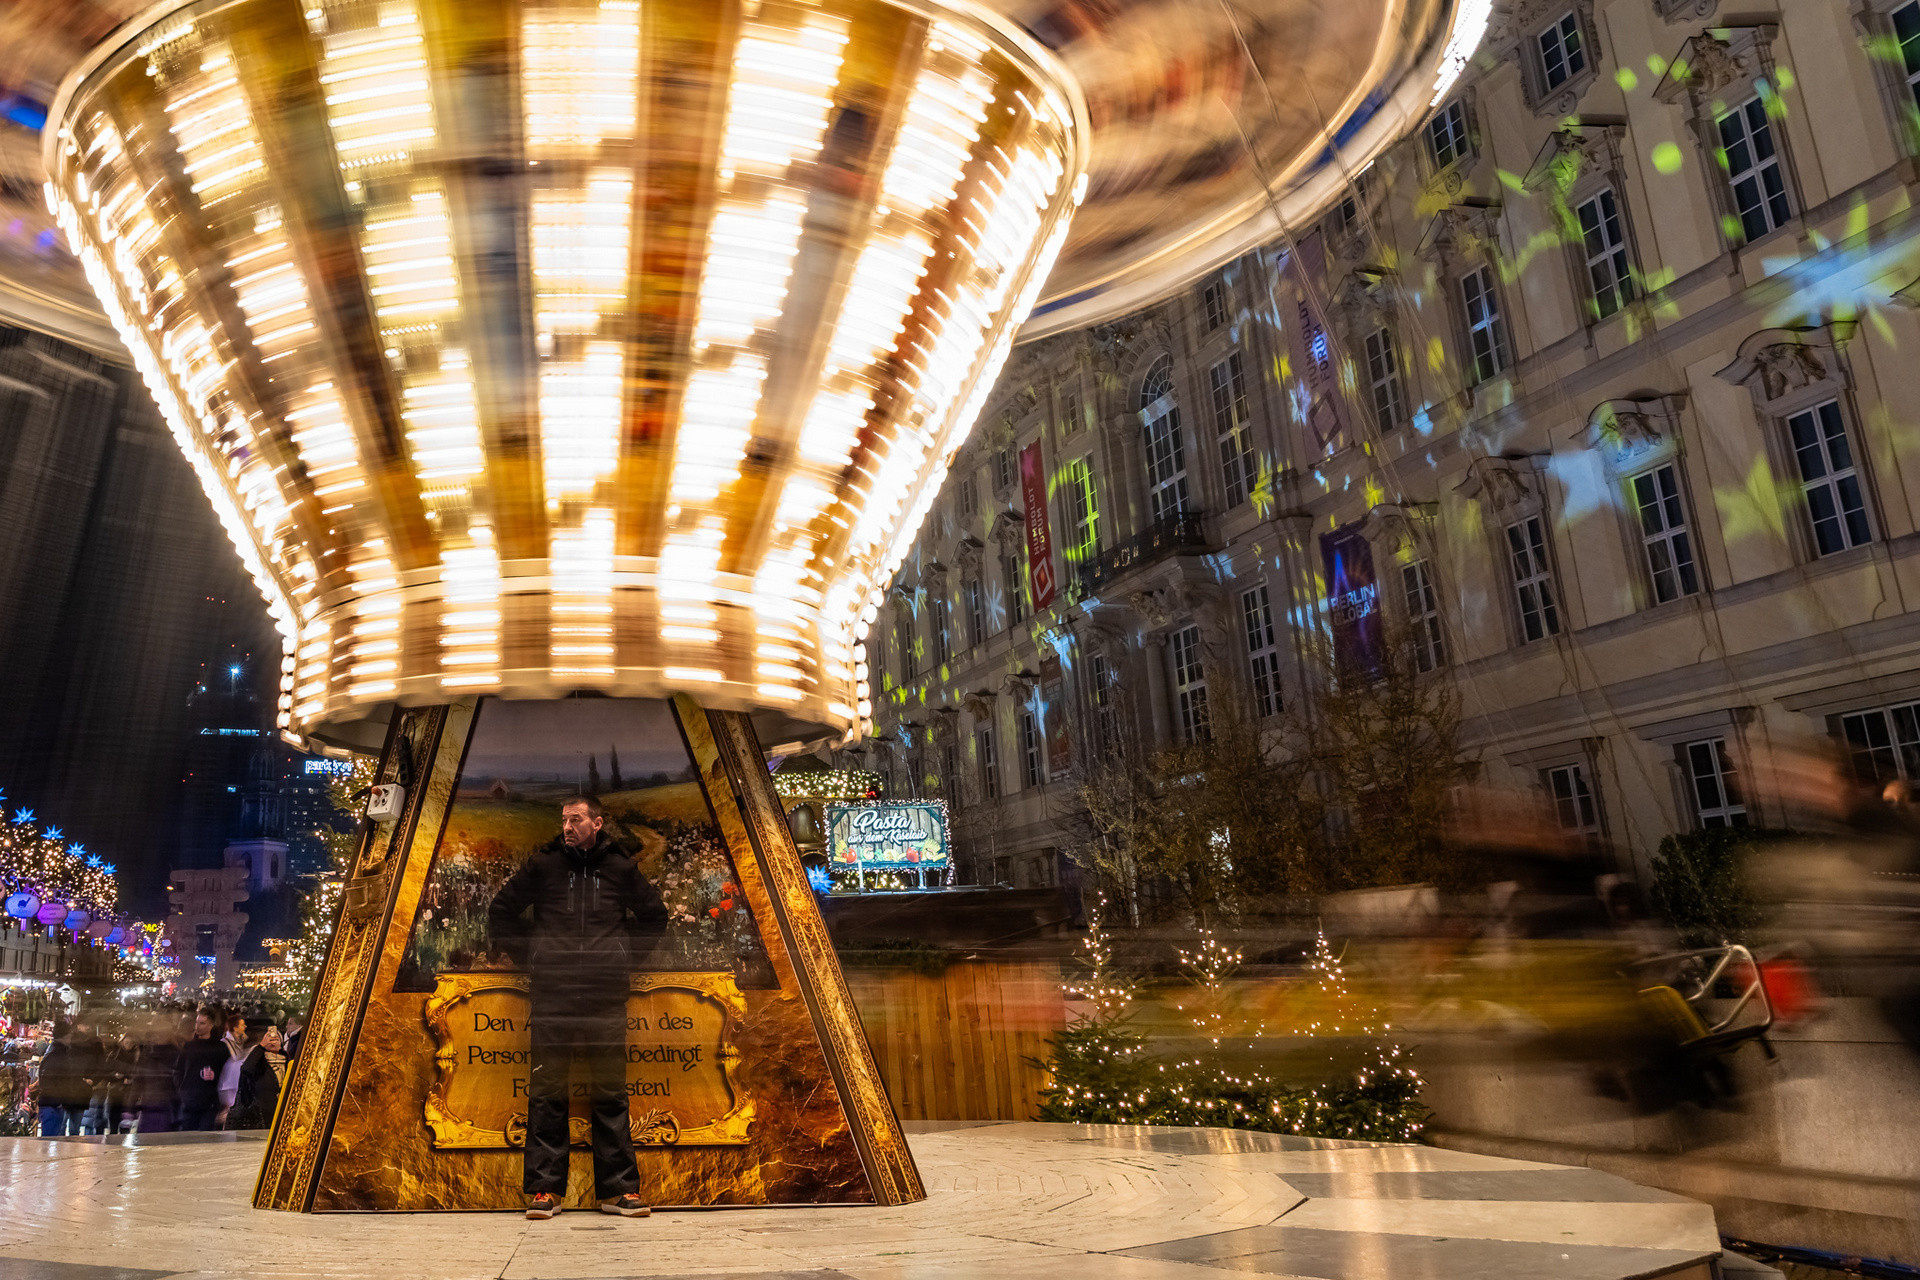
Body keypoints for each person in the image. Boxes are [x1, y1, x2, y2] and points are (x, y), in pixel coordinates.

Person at [488, 795, 667, 1220]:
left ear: (597, 824)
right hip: (554, 994)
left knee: (610, 1092)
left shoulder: (621, 868)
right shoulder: (543, 865)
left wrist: (623, 958)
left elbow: (655, 916)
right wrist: (534, 956)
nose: (567, 827)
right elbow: (501, 910)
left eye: (576, 819)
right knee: (547, 1092)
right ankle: (546, 1191)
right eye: (564, 820)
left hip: (605, 995)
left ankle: (619, 1192)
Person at [172, 1007, 228, 1130]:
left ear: (211, 1025)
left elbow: (226, 1072)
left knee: (206, 1135)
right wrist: (183, 1091)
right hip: (190, 1101)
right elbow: (178, 1070)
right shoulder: (189, 1046)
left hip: (210, 1102)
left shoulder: (220, 1048)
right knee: (189, 1135)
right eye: (197, 1022)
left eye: (202, 1023)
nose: (197, 1026)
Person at [34, 1020, 90, 1137]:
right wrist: (58, 1100)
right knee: (50, 1139)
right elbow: (50, 1080)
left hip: (53, 1103)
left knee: (53, 1137)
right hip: (53, 1104)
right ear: (66, 1035)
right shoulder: (58, 1053)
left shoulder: (56, 1051)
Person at [231, 1024, 288, 1130]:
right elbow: (246, 1069)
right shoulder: (258, 1060)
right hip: (261, 1115)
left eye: (276, 1039)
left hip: (282, 1112)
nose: (273, 1042)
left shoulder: (287, 1059)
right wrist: (261, 1047)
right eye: (269, 1040)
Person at [216, 1014, 249, 1126]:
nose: (245, 1027)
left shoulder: (241, 1042)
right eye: (242, 1025)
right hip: (227, 1085)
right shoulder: (224, 1044)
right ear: (235, 1028)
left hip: (236, 1084)